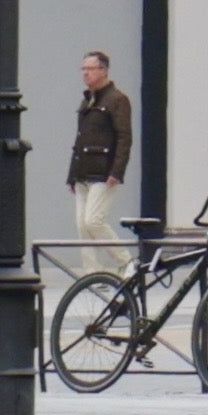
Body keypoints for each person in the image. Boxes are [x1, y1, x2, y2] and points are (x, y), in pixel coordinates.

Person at [66, 49, 133, 260]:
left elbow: (124, 137)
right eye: (83, 69)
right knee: (82, 227)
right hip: (83, 171)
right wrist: (72, 175)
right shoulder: (88, 100)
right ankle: (93, 275)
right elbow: (80, 140)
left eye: (90, 69)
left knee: (93, 221)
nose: (85, 73)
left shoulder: (117, 99)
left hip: (103, 172)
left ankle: (126, 262)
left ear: (103, 71)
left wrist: (117, 171)